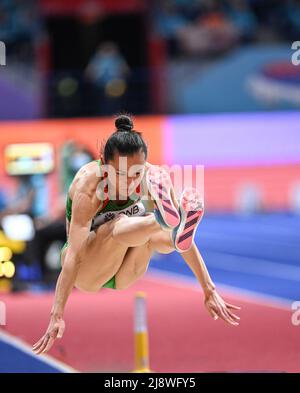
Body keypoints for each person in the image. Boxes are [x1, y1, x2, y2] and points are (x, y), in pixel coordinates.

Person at [32, 114, 240, 355]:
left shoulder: (152, 178)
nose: (131, 182)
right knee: (118, 224)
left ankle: (164, 220)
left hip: (129, 268)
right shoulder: (87, 187)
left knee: (166, 234)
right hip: (88, 270)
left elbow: (186, 241)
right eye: (121, 175)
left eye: (136, 174)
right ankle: (159, 220)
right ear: (104, 163)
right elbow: (74, 257)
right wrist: (57, 314)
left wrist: (209, 290)